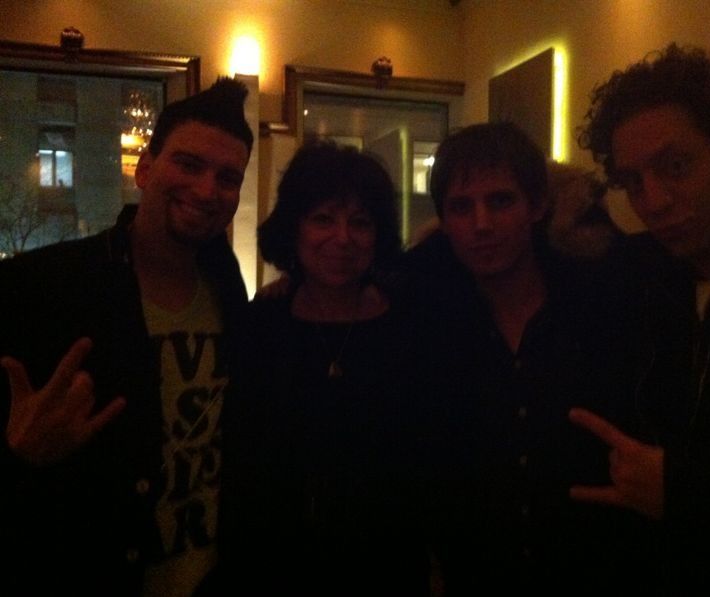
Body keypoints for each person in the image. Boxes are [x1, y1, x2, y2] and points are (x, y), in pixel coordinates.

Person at [0, 77, 253, 596]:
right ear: (144, 169)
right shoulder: (42, 286)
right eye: (189, 164)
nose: (207, 190)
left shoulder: (226, 281)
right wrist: (18, 454)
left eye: (228, 178)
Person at [575, 43, 710, 594]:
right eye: (632, 181)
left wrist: (686, 493)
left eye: (676, 167)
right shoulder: (643, 282)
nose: (653, 202)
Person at [401, 122, 661, 596]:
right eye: (462, 207)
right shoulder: (428, 319)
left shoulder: (604, 306)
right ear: (444, 221)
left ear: (537, 206)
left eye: (500, 201)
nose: (481, 224)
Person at [219, 141, 431, 596]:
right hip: (276, 567)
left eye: (360, 222)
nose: (343, 238)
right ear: (293, 228)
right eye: (322, 219)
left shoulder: (412, 325)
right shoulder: (261, 326)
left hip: (390, 567)